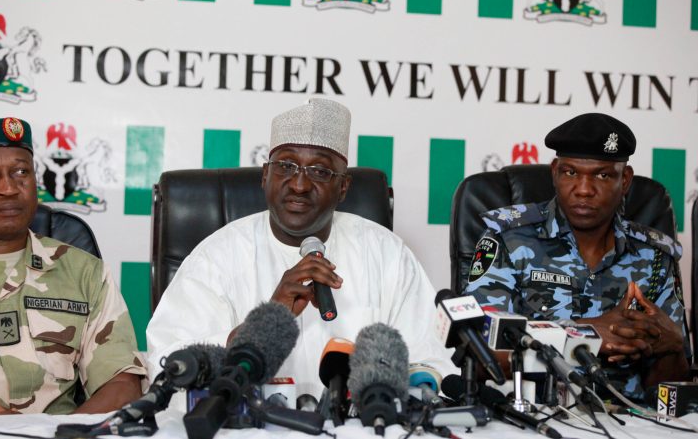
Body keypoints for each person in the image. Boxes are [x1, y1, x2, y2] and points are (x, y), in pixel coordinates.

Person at [147, 98, 453, 397]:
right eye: (286, 166)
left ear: (343, 187)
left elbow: (432, 360)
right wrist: (264, 324)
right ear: (265, 175)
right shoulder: (216, 257)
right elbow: (169, 365)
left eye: (320, 171)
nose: (299, 185)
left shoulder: (387, 255)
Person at [465, 113, 690, 400]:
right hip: (534, 416)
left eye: (602, 175)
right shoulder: (508, 239)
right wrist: (584, 334)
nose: (584, 190)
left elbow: (668, 393)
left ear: (625, 180)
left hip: (630, 420)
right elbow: (480, 351)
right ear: (555, 171)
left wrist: (670, 346)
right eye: (571, 173)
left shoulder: (654, 258)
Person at [0, 117, 146, 416]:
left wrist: (59, 434)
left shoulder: (85, 273)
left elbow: (122, 383)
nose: (9, 188)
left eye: (21, 172)